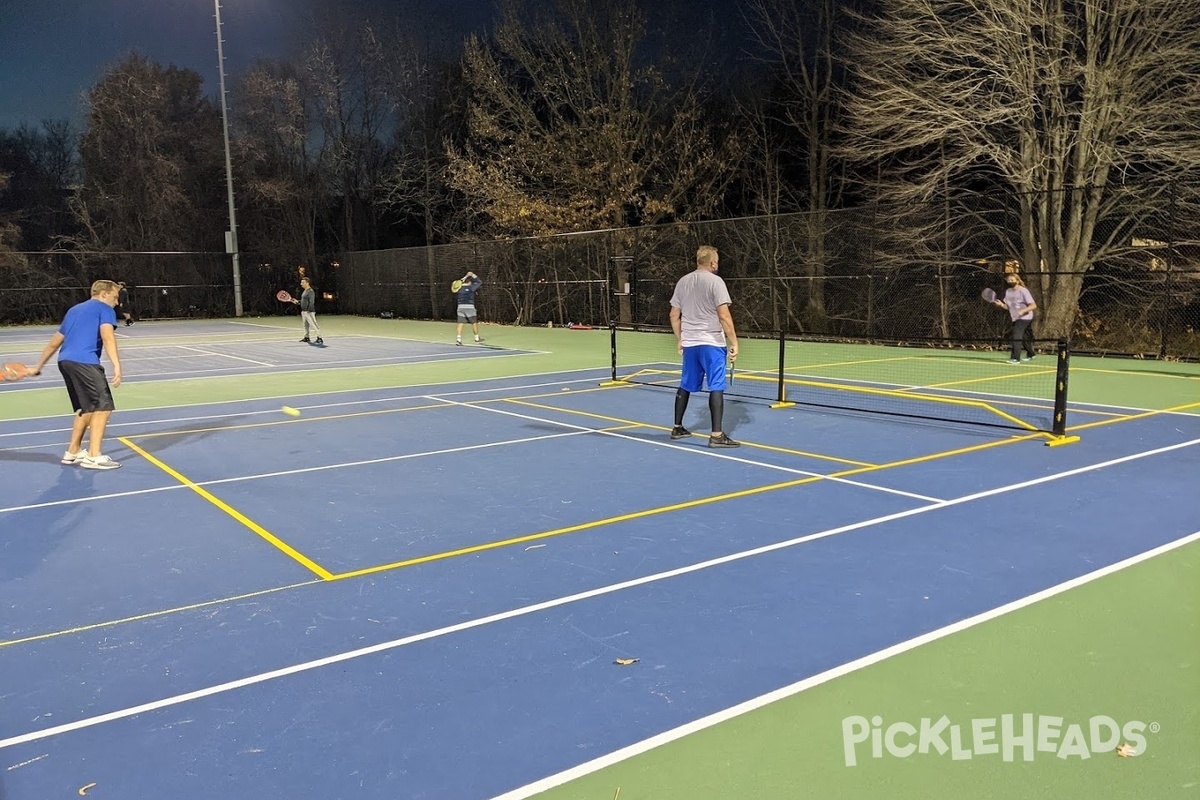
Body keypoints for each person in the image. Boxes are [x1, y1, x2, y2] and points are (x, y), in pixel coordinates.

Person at [25, 280, 124, 469]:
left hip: (65, 361)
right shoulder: (105, 309)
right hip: (84, 362)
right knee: (103, 406)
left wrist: (38, 365)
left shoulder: (74, 310)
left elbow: (56, 341)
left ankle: (73, 451)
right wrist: (117, 365)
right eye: (115, 297)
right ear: (104, 294)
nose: (117, 302)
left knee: (86, 408)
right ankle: (94, 456)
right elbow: (107, 336)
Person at [668, 245, 740, 448]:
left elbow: (674, 315)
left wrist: (680, 338)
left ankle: (677, 427)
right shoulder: (716, 282)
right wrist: (734, 341)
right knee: (716, 385)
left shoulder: (683, 282)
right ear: (712, 263)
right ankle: (716, 435)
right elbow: (724, 315)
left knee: (685, 384)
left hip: (691, 344)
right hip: (711, 343)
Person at [992, 272, 1037, 363]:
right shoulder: (1008, 292)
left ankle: (1015, 358)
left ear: (1017, 280)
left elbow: (1033, 306)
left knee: (1016, 335)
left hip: (1025, 317)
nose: (1010, 281)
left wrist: (1022, 311)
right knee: (1022, 336)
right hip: (1015, 317)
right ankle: (1031, 353)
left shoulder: (1023, 291)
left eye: (1012, 280)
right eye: (1008, 280)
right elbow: (1008, 307)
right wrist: (1001, 304)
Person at [455, 272, 483, 345]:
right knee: (474, 323)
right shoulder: (471, 287)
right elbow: (479, 282)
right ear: (470, 282)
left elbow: (457, 285)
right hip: (470, 307)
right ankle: (476, 338)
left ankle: (458, 339)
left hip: (460, 307)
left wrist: (465, 277)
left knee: (460, 323)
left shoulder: (458, 288)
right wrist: (473, 274)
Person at [298, 277, 323, 345]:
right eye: (301, 282)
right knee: (305, 325)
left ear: (307, 283)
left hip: (309, 312)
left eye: (303, 282)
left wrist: (309, 311)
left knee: (314, 324)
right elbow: (304, 301)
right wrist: (298, 302)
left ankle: (319, 338)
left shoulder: (310, 291)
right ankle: (306, 337)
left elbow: (311, 302)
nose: (301, 284)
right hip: (303, 311)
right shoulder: (305, 291)